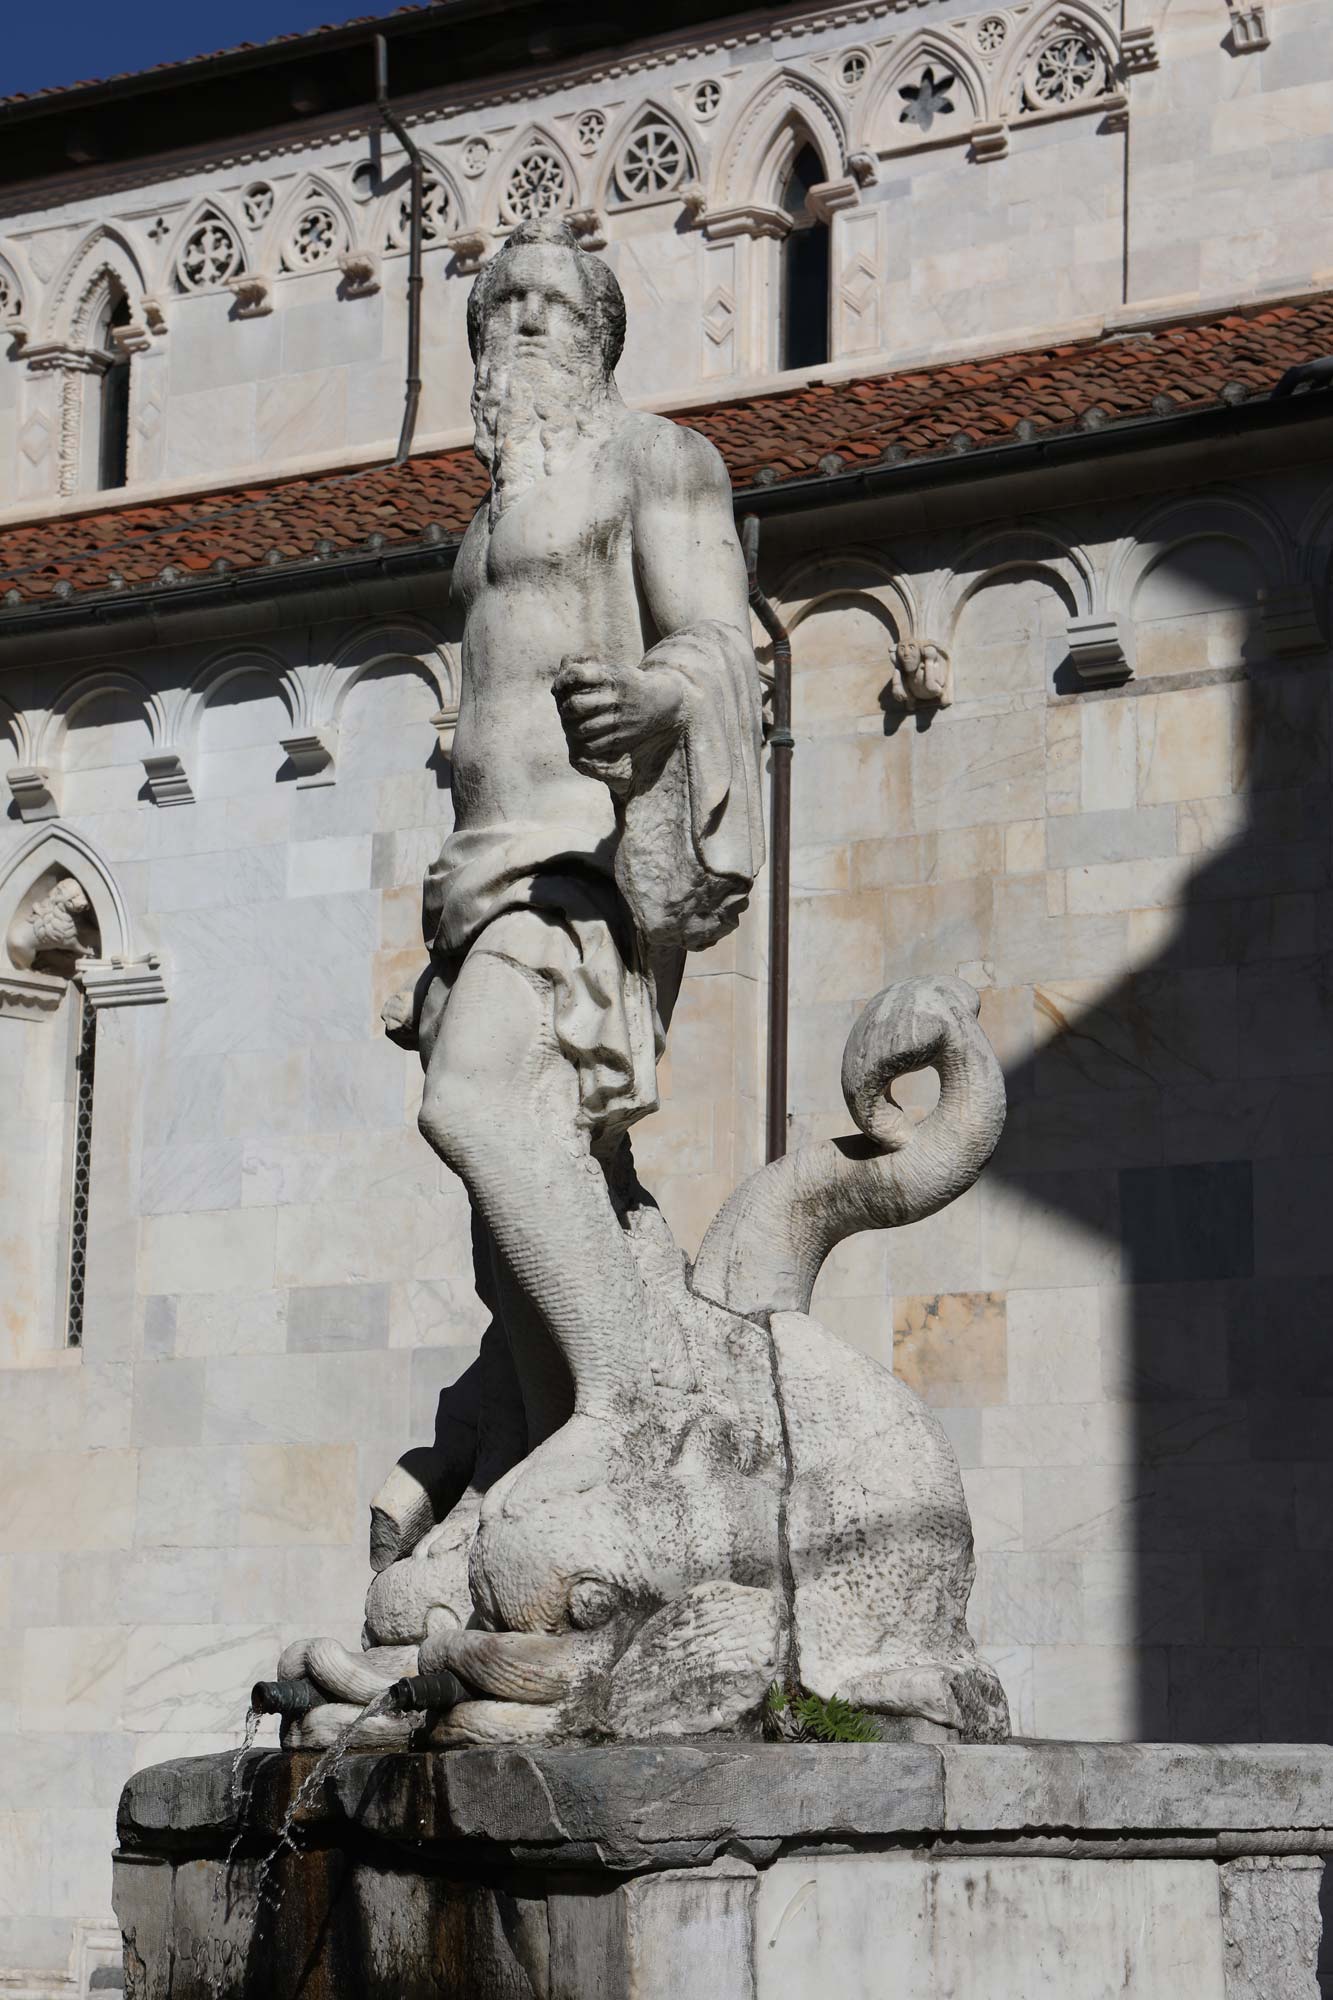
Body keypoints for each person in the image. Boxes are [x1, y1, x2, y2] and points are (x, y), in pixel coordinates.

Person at [391, 217, 764, 1442]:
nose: (527, 320)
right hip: (479, 875)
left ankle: (626, 1416)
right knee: (525, 1222)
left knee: (476, 1106)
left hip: (581, 856)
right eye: (502, 306)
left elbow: (719, 631)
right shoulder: (487, 521)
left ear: (602, 334)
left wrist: (657, 698)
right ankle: (549, 1469)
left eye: (554, 301)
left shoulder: (657, 459)